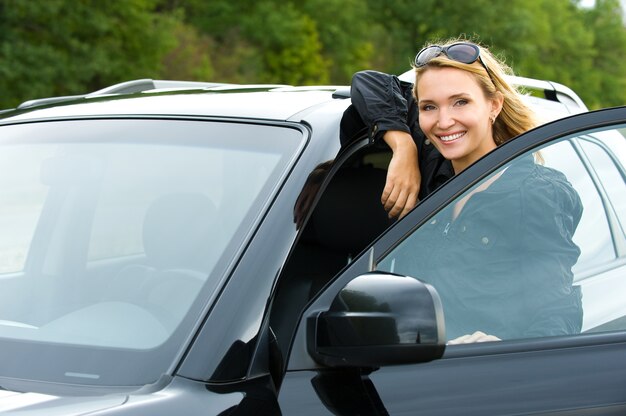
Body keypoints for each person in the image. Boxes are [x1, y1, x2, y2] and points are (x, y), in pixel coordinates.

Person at [350, 38, 583, 343]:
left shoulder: (534, 194)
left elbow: (558, 312)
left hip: (480, 376)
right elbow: (368, 82)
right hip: (404, 370)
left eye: (461, 102)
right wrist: (403, 145)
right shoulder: (431, 163)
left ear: (494, 105)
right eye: (429, 107)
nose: (444, 121)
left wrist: (501, 348)